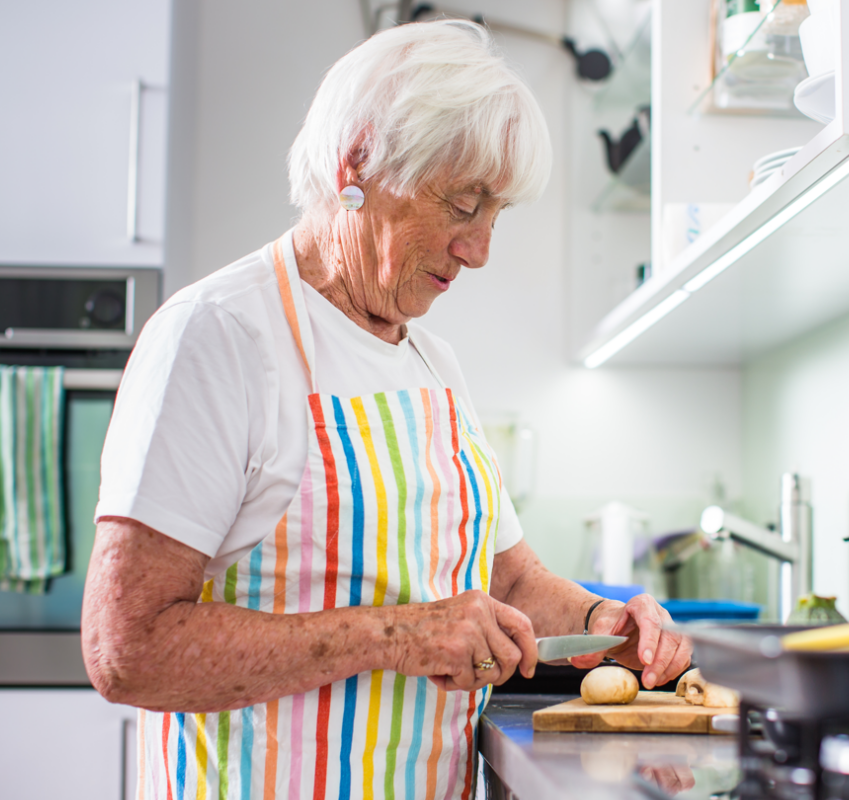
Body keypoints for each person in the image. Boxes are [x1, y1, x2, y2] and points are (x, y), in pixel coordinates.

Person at [80, 20, 691, 800]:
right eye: (463, 205)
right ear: (357, 162)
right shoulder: (219, 338)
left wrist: (607, 620)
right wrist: (399, 634)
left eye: (496, 214)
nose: (479, 251)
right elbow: (127, 650)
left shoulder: (434, 363)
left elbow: (508, 580)